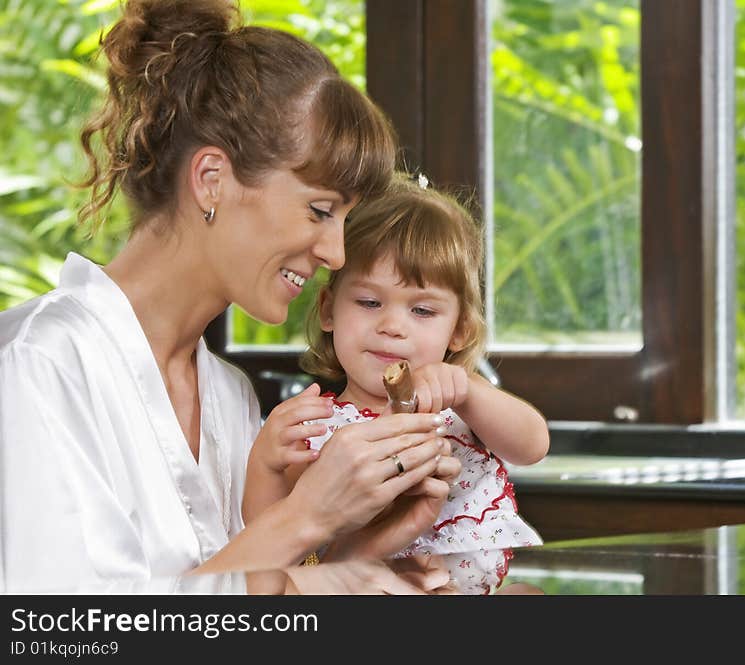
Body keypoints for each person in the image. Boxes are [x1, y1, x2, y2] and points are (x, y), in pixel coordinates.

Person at [0, 0, 458, 594]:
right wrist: (308, 514)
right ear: (211, 179)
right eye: (320, 210)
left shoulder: (229, 396)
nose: (337, 255)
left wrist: (367, 568)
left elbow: (242, 600)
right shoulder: (38, 364)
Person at [259, 172, 551, 595]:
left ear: (460, 330)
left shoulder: (459, 401)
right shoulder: (314, 423)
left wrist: (470, 393)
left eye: (423, 311)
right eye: (369, 302)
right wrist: (268, 462)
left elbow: (533, 446)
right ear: (328, 310)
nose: (392, 326)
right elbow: (272, 536)